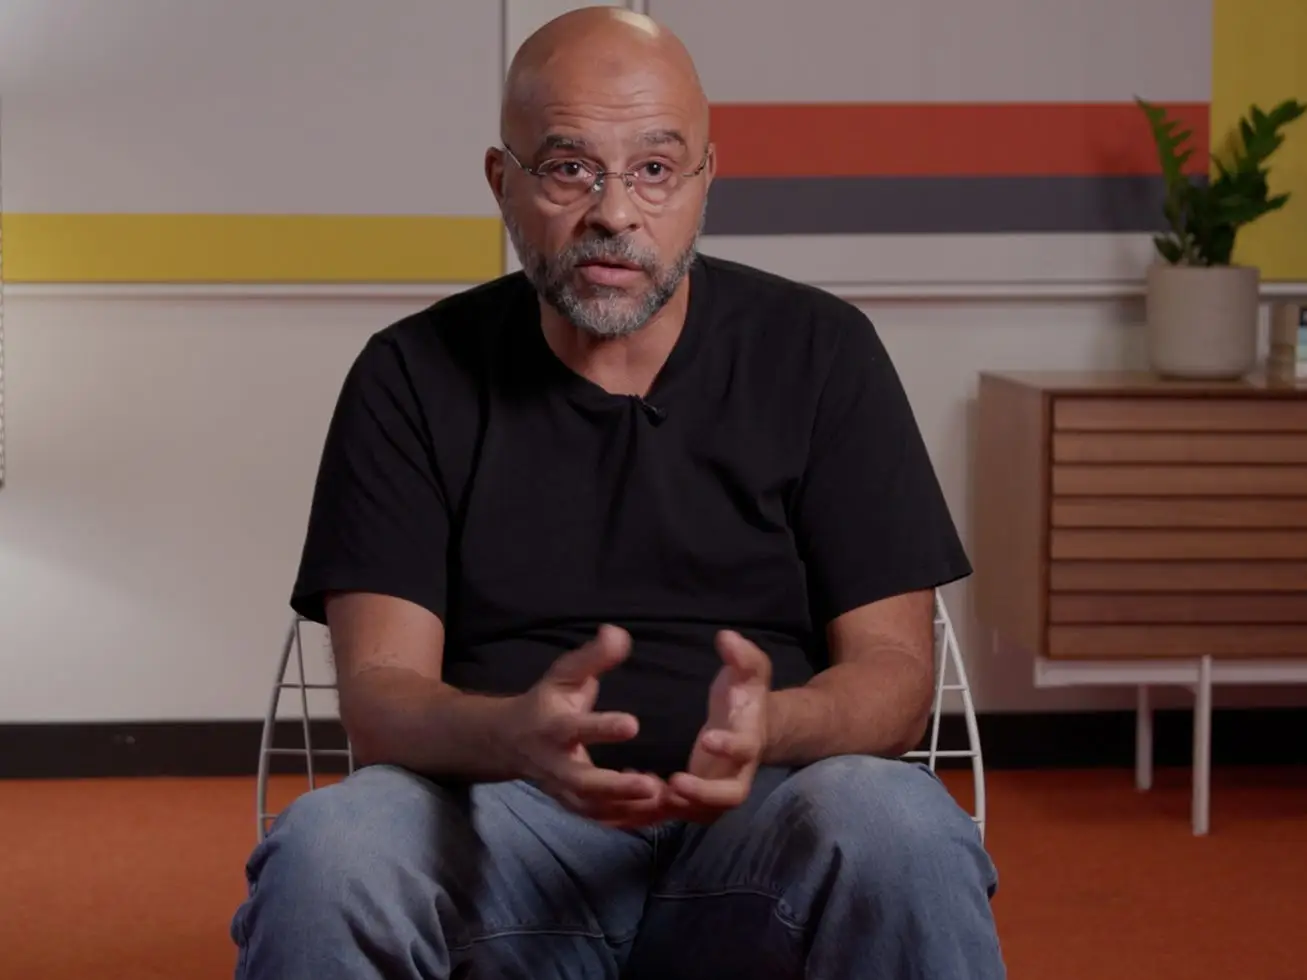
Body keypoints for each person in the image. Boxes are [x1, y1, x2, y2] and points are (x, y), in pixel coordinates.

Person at [230, 7, 1004, 979]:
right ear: (500, 181)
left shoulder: (819, 352)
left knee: (897, 820)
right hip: (496, 839)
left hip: (754, 836)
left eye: (651, 168)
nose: (612, 212)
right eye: (566, 167)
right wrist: (509, 730)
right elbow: (383, 698)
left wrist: (775, 723)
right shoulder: (410, 374)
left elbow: (893, 675)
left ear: (703, 180)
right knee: (331, 844)